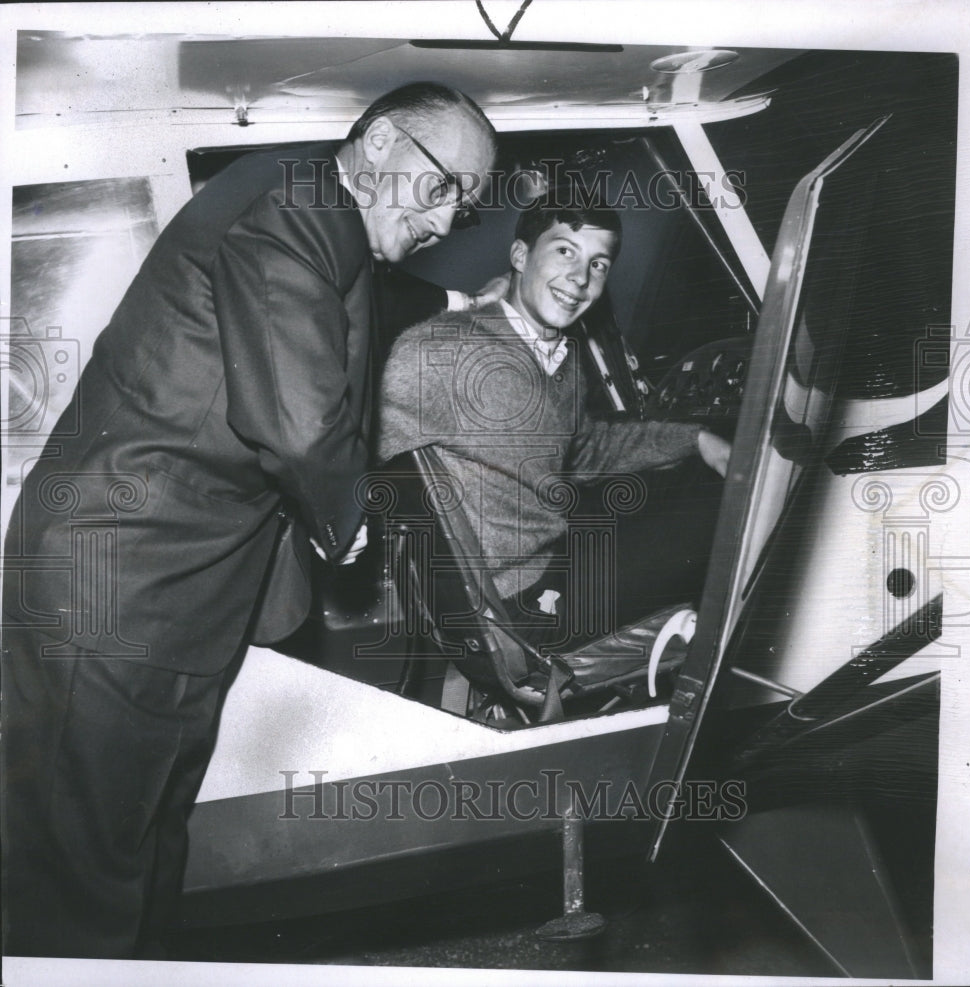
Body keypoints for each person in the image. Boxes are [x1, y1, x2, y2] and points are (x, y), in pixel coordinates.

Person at [1, 82, 498, 959]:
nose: (448, 222)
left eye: (466, 205)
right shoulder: (296, 203)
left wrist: (465, 304)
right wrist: (349, 522)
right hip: (115, 589)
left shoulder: (323, 223)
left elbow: (354, 312)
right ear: (380, 143)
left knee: (147, 841)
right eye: (443, 188)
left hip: (176, 600)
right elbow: (301, 422)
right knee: (81, 870)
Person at [378, 198, 730, 645]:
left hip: (543, 561)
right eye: (565, 251)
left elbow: (583, 450)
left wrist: (698, 440)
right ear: (521, 256)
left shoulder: (559, 355)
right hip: (514, 603)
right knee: (726, 513)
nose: (581, 278)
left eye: (598, 264)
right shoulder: (444, 349)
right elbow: (371, 438)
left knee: (688, 488)